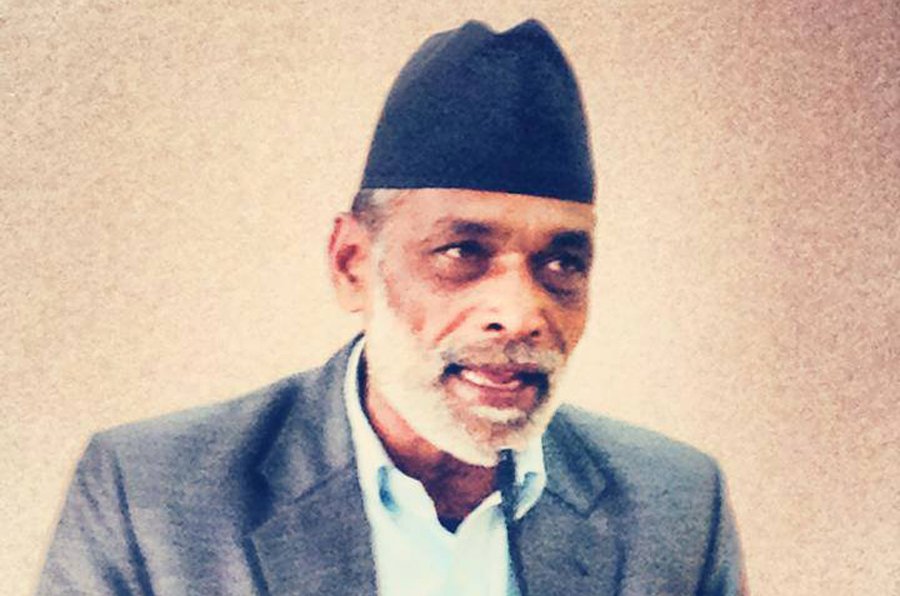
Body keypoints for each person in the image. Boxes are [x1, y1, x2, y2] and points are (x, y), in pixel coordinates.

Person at [38, 19, 746, 595]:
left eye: (562, 262)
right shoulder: (153, 496)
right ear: (353, 264)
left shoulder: (676, 508)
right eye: (462, 251)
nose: (521, 313)